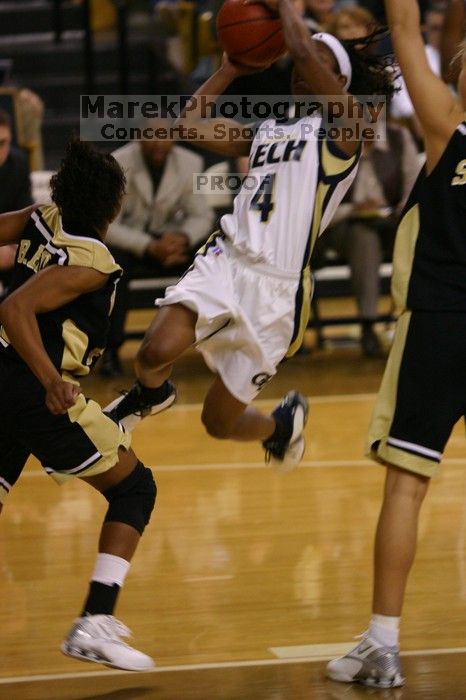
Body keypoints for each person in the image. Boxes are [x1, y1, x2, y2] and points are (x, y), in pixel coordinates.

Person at [104, 0, 395, 472]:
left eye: (319, 63)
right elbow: (186, 126)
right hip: (227, 259)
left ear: (339, 82)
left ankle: (282, 426)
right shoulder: (265, 132)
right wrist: (228, 69)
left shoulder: (351, 128)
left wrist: (286, 11)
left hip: (277, 290)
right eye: (302, 60)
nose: (302, 67)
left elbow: (299, 48)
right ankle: (149, 397)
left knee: (218, 422)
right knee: (153, 352)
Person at [327, 0, 466, 688]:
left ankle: (382, 642)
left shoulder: (448, 131)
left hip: (441, 323)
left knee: (406, 486)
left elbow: (408, 28)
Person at [0, 139, 156, 672]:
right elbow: (15, 307)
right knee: (135, 488)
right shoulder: (94, 260)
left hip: (5, 380)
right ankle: (95, 621)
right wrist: (49, 380)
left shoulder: (42, 217)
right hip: (32, 389)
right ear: (114, 204)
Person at [101, 127, 215, 377]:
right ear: (139, 136)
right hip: (133, 244)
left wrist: (182, 238)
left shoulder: (190, 161)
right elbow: (107, 225)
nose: (159, 143)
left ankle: (218, 344)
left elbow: (201, 215)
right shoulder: (118, 162)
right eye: (152, 135)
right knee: (112, 262)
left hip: (172, 241)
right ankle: (110, 351)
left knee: (214, 250)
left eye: (165, 136)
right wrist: (148, 246)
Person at [322, 119, 420, 357]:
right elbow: (320, 206)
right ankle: (368, 325)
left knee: (420, 233)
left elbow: (414, 187)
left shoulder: (399, 137)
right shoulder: (330, 141)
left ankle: (418, 324)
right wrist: (354, 209)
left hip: (389, 223)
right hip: (343, 227)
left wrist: (397, 210)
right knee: (364, 237)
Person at [0, 109, 33, 291]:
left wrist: (12, 249)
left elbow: (25, 214)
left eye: (2, 143)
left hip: (9, 249)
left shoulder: (18, 164)